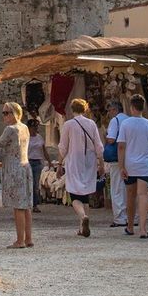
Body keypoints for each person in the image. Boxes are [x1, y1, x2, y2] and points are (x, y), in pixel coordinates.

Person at [0, 101, 33, 248]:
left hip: (14, 170)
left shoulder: (10, 129)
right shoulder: (24, 127)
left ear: (15, 113)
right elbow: (16, 149)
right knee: (25, 206)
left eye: (7, 112)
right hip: (25, 167)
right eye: (4, 112)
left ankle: (20, 241)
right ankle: (28, 239)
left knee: (18, 206)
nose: (4, 115)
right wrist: (4, 162)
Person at [58, 98, 104, 238]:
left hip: (74, 161)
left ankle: (83, 217)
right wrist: (101, 164)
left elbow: (63, 147)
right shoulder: (91, 124)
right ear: (85, 109)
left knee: (74, 193)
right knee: (85, 194)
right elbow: (98, 145)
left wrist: (59, 164)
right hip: (89, 161)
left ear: (72, 110)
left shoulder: (68, 125)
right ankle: (82, 227)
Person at [117, 93, 148, 239]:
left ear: (131, 107)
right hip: (145, 165)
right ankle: (143, 229)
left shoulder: (125, 124)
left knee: (130, 195)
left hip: (130, 164)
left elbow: (121, 146)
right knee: (143, 195)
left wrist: (121, 166)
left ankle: (130, 226)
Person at [105, 100, 129, 227]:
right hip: (130, 158)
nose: (109, 113)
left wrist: (106, 136)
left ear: (115, 110)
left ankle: (119, 218)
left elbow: (112, 139)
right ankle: (133, 217)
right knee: (130, 188)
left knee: (117, 188)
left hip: (117, 159)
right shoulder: (129, 119)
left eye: (109, 110)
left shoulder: (115, 121)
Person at [27, 118, 51, 213]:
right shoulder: (25, 137)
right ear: (29, 128)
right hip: (27, 162)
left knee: (35, 184)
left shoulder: (39, 137)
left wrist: (49, 161)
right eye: (33, 127)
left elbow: (44, 150)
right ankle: (27, 204)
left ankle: (35, 205)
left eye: (36, 127)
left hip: (37, 162)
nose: (35, 129)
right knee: (28, 184)